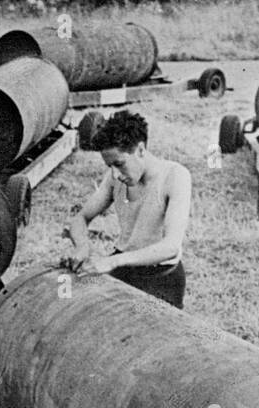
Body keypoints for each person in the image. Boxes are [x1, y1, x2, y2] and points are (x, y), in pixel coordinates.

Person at [64, 111, 191, 308]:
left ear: (140, 150)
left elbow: (170, 246)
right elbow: (82, 217)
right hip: (125, 268)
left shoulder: (175, 176)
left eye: (119, 164)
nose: (114, 174)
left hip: (161, 277)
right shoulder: (115, 178)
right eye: (109, 166)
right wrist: (82, 246)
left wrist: (112, 262)